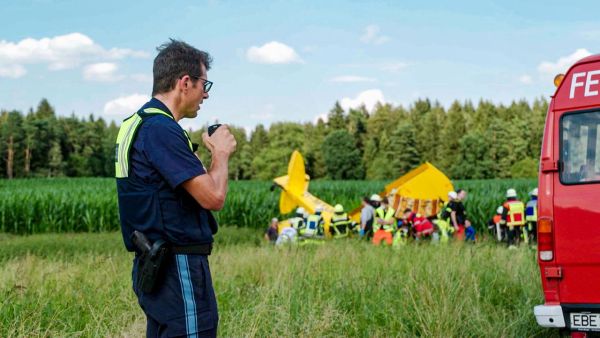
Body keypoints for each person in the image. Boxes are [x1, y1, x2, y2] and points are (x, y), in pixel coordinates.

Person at [115, 40, 236, 337]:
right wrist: (221, 153)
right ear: (185, 82)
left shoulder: (136, 124)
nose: (206, 93)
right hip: (177, 265)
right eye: (203, 84)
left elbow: (175, 190)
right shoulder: (161, 129)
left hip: (154, 263)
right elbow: (213, 197)